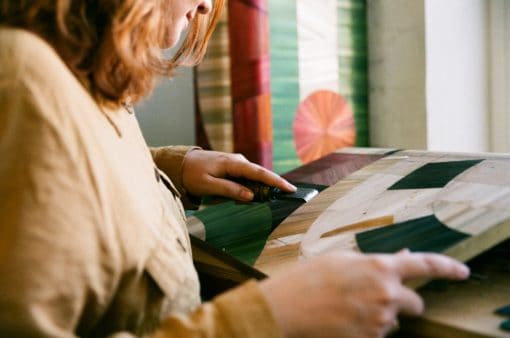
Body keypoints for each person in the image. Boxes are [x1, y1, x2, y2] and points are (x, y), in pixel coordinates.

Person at [0, 1, 469, 337]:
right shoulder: (25, 76)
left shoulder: (89, 81)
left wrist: (173, 167)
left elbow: (74, 168)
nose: (207, 6)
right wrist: (267, 317)